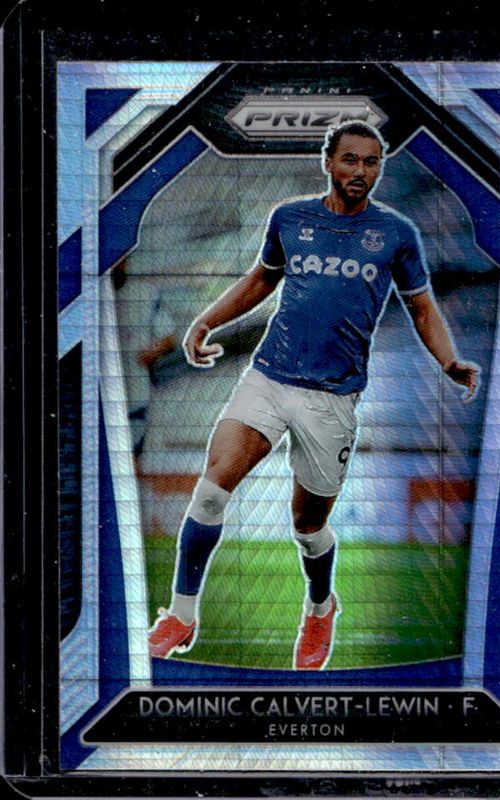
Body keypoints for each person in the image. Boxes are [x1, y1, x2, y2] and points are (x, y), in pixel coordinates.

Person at [148, 120, 479, 669]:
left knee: (308, 527)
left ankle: (321, 607)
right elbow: (261, 279)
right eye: (350, 159)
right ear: (329, 162)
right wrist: (205, 321)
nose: (360, 171)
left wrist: (449, 361)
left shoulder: (396, 233)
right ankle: (181, 616)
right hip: (268, 377)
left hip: (332, 398)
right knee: (209, 493)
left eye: (371, 162)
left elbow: (422, 307)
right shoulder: (290, 218)